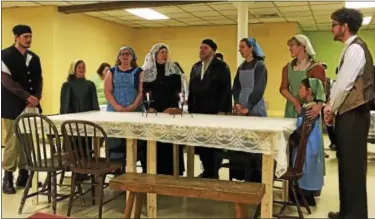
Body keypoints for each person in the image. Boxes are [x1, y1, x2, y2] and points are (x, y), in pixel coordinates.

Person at [324, 8, 374, 219]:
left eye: (334, 24)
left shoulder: (355, 49)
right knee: (346, 165)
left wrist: (330, 108)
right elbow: (339, 84)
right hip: (348, 113)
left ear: (344, 27)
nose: (332, 28)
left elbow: (344, 85)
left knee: (353, 168)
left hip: (354, 113)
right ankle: (346, 211)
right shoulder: (349, 48)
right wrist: (331, 106)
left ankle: (355, 215)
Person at [1, 24, 43, 194]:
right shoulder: (5, 55)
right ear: (16, 37)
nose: (29, 40)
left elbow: (39, 79)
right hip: (12, 106)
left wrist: (37, 98)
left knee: (27, 142)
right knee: (12, 142)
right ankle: (7, 177)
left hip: (31, 105)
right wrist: (27, 97)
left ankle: (24, 175)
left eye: (30, 36)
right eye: (26, 36)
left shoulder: (34, 57)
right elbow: (7, 82)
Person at [188, 39, 232, 179]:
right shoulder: (195, 67)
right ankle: (206, 169)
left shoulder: (221, 66)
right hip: (198, 110)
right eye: (200, 48)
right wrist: (190, 108)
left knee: (213, 143)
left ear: (213, 50)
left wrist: (223, 110)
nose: (201, 50)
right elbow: (191, 89)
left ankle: (213, 172)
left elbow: (226, 90)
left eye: (205, 48)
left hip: (214, 110)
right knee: (201, 143)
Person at [142, 43, 185, 176]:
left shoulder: (174, 69)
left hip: (170, 110)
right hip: (154, 110)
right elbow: (144, 92)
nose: (165, 55)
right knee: (154, 142)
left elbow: (179, 90)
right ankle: (152, 169)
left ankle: (172, 171)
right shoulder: (147, 72)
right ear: (155, 55)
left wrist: (174, 106)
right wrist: (149, 107)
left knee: (169, 143)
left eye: (166, 52)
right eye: (162, 52)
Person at [231, 37, 267, 182]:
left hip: (255, 105)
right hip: (242, 104)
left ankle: (256, 177)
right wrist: (237, 102)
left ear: (251, 48)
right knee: (243, 143)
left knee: (256, 143)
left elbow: (259, 88)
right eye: (239, 47)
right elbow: (236, 86)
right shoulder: (241, 67)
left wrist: (249, 106)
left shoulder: (260, 66)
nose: (240, 50)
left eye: (242, 47)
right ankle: (243, 175)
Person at [104, 46, 145, 171]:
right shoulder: (111, 71)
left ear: (132, 57)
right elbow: (108, 91)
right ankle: (116, 167)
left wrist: (133, 106)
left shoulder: (139, 71)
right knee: (115, 139)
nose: (125, 56)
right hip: (115, 112)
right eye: (122, 54)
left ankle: (132, 166)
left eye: (128, 54)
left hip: (134, 111)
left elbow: (141, 91)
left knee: (134, 140)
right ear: (118, 57)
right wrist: (117, 106)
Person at [293, 78, 326, 206]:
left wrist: (293, 140)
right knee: (310, 167)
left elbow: (305, 128)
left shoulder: (310, 109)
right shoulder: (310, 106)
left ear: (309, 91)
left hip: (307, 142)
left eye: (301, 88)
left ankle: (306, 197)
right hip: (310, 141)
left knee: (306, 167)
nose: (298, 91)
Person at [321, 63, 337, 152]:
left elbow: (331, 93)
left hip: (327, 106)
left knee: (329, 125)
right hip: (318, 104)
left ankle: (334, 142)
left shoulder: (329, 81)